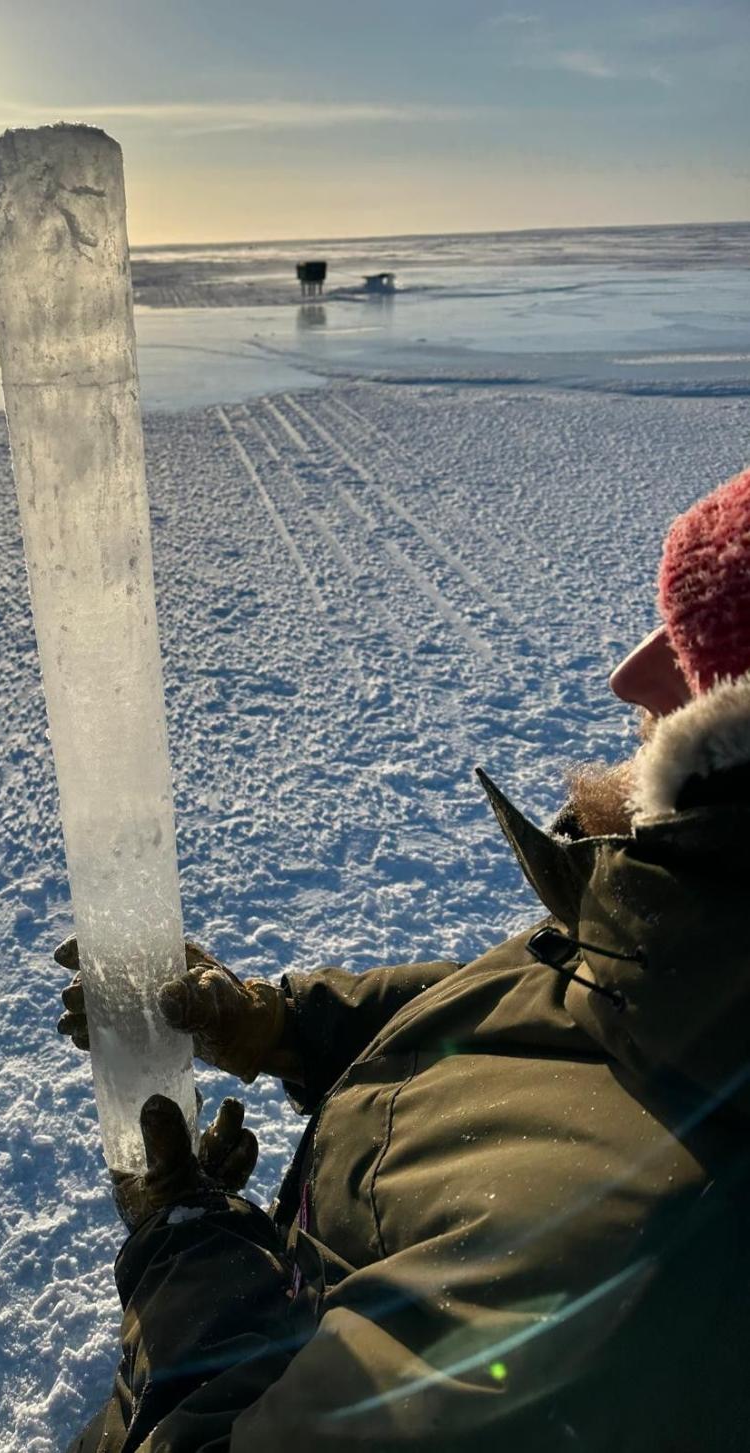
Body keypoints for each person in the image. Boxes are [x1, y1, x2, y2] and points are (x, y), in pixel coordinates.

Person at [57, 466, 750, 1452]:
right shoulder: (683, 956)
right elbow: (537, 1020)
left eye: (700, 644)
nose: (632, 676)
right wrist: (284, 1025)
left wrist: (191, 1249)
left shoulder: (641, 1288)